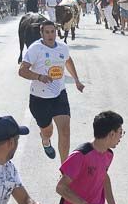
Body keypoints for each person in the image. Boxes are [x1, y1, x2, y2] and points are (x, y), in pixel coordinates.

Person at [19, 18, 84, 163]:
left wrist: (77, 80)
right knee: (48, 131)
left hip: (59, 95)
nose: (50, 35)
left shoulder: (62, 47)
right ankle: (45, 141)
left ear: (56, 32)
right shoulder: (35, 49)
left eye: (53, 32)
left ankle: (64, 170)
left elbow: (67, 60)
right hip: (39, 99)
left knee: (65, 131)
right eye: (47, 32)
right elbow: (22, 71)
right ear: (41, 33)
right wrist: (39, 76)